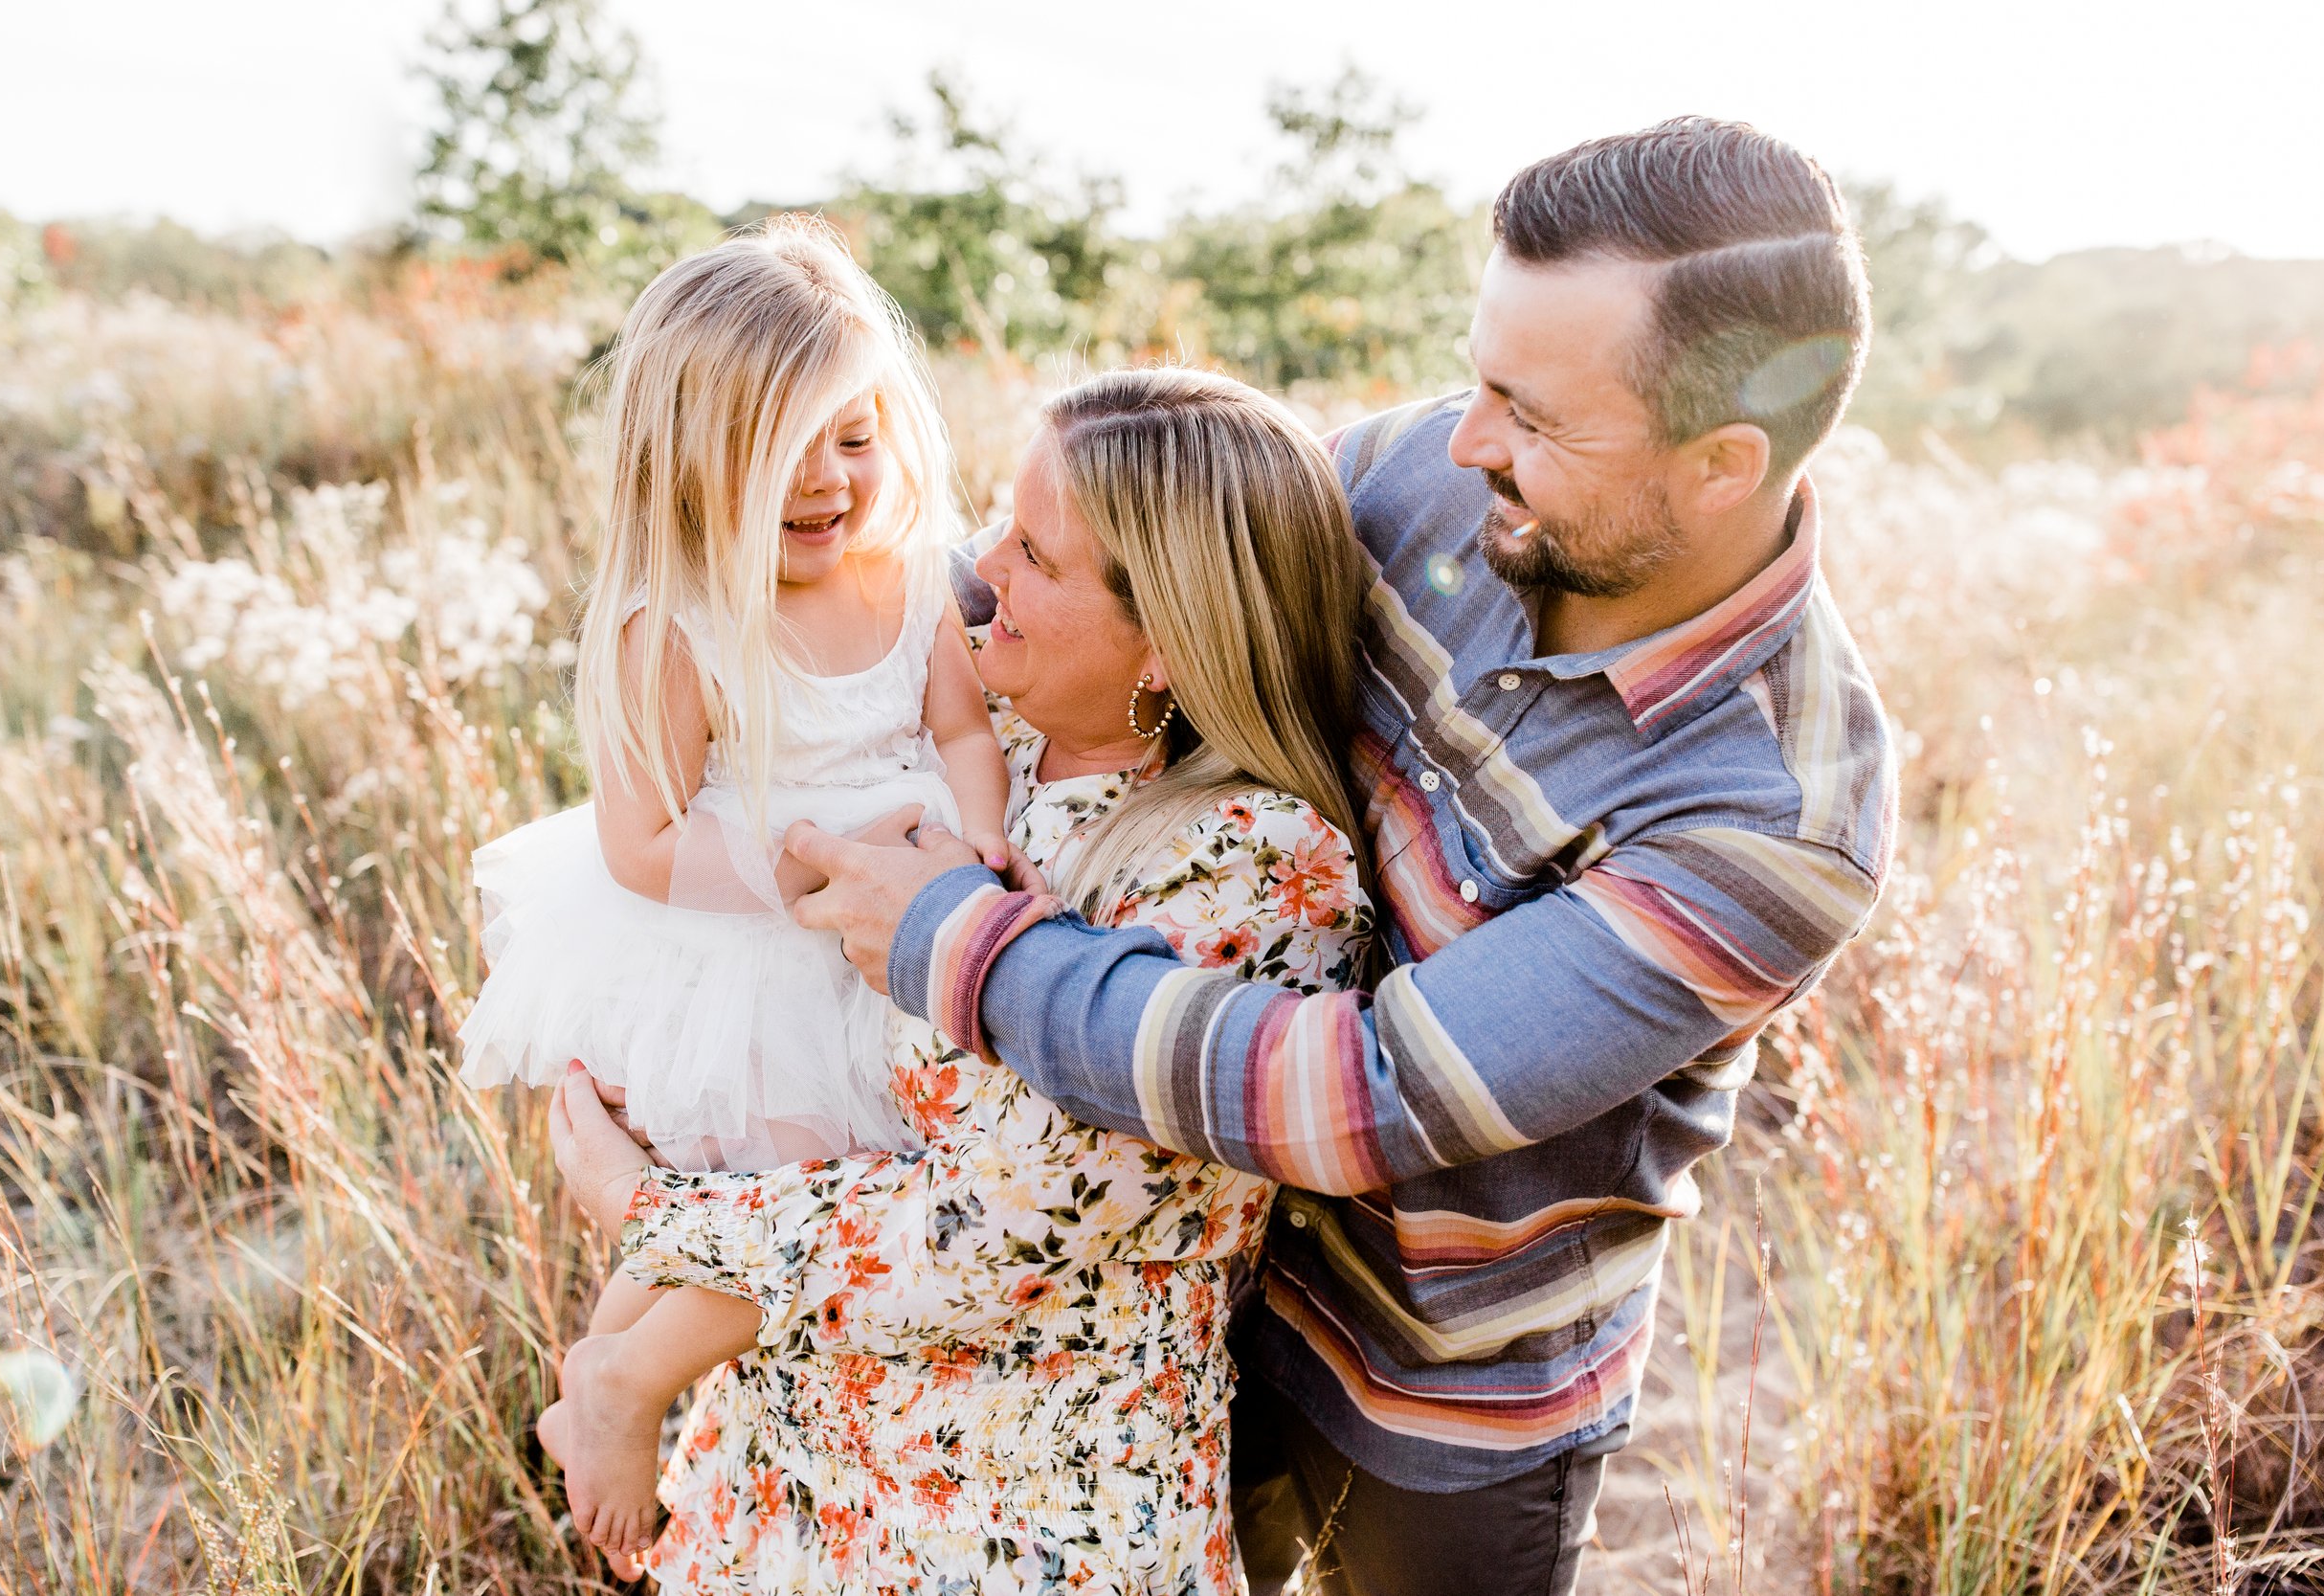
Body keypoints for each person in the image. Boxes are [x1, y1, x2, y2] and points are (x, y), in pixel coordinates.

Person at [773, 119, 1901, 1595]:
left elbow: (1364, 1094)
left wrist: (953, 937)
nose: (1465, 437)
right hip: (1199, 1278)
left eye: (1535, 416)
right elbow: (1153, 570)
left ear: (1721, 463)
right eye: (1479, 374)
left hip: (1449, 1393)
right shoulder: (1438, 473)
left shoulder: (1773, 813)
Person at [548, 367, 1376, 1592]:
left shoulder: (1252, 866)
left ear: (1167, 638)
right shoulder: (981, 759)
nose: (981, 562)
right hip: (793, 1467)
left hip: (1015, 1514)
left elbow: (995, 1235)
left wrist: (649, 1208)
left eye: (1034, 552)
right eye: (999, 517)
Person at [457, 216, 1017, 1558]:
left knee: (773, 1199)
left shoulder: (915, 571)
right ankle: (623, 1374)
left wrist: (987, 861)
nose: (828, 482)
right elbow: (642, 838)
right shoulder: (680, 621)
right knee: (801, 1180)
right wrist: (798, 876)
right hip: (751, 933)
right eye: (782, 455)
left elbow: (960, 733)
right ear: (687, 465)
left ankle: (602, 1379)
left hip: (907, 902)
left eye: (854, 437)